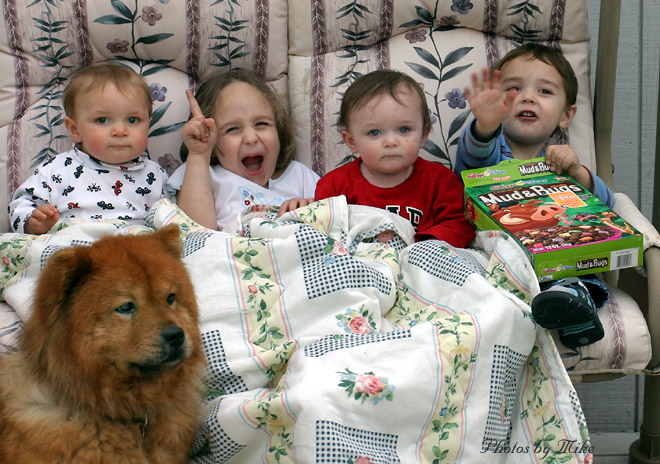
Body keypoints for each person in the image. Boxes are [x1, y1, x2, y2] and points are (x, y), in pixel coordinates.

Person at [455, 43, 611, 348]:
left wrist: (577, 173)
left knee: (578, 272)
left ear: (566, 115)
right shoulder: (490, 153)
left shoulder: (561, 163)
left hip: (551, 260)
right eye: (514, 88)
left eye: (545, 91)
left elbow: (604, 206)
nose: (527, 97)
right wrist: (486, 125)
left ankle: (571, 306)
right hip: (494, 261)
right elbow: (473, 157)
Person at [313, 69, 475, 248]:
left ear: (423, 135)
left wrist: (423, 247)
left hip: (422, 259)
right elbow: (321, 234)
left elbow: (459, 225)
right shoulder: (333, 187)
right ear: (352, 141)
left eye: (403, 129)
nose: (391, 142)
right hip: (358, 261)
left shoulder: (441, 182)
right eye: (374, 132)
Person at [8, 62, 168, 235]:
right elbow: (21, 205)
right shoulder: (57, 170)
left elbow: (173, 219)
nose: (120, 131)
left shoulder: (155, 175)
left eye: (133, 120)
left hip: (134, 245)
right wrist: (33, 220)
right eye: (102, 120)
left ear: (148, 125)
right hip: (72, 243)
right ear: (75, 130)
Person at [167, 70, 319, 231]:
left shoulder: (299, 176)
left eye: (261, 124)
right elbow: (195, 233)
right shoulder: (200, 172)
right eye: (233, 129)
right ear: (213, 144)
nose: (250, 138)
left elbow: (333, 220)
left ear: (279, 130)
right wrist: (199, 155)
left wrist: (309, 210)